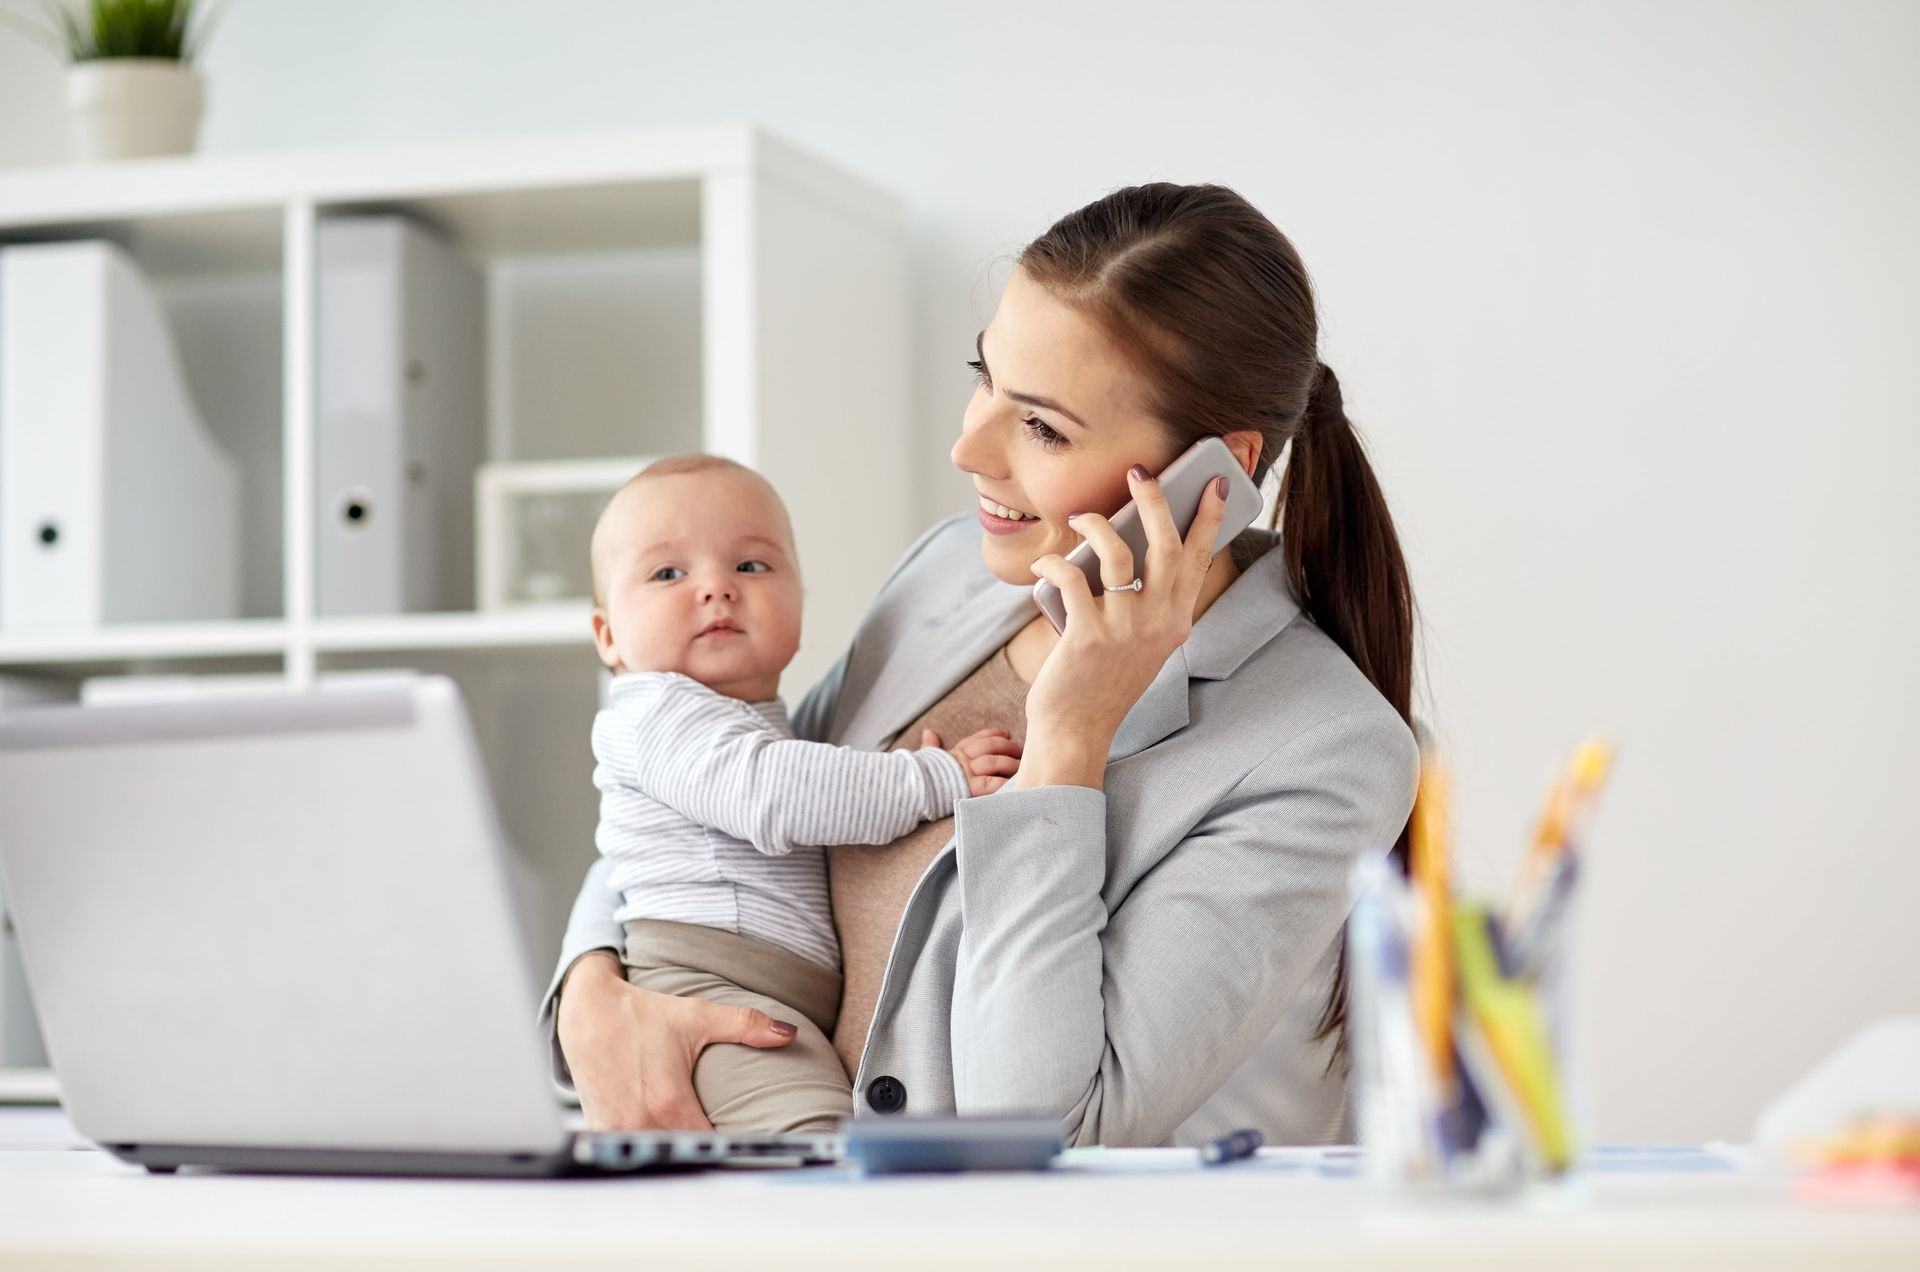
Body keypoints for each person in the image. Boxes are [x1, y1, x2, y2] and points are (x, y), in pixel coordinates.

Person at [540, 182, 1421, 1146]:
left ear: (1216, 471)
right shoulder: (948, 575)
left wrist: (1071, 739)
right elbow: (711, 778)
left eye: (1041, 427)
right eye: (984, 374)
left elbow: (1051, 1127)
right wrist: (591, 991)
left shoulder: (1325, 751)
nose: (968, 447)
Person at [581, 454, 1022, 1132]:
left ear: (802, 600)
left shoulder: (749, 718)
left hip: (769, 990)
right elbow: (772, 795)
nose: (716, 589)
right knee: (812, 1150)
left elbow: (798, 774)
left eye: (750, 566)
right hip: (709, 984)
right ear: (608, 634)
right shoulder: (656, 713)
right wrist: (934, 778)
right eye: (669, 573)